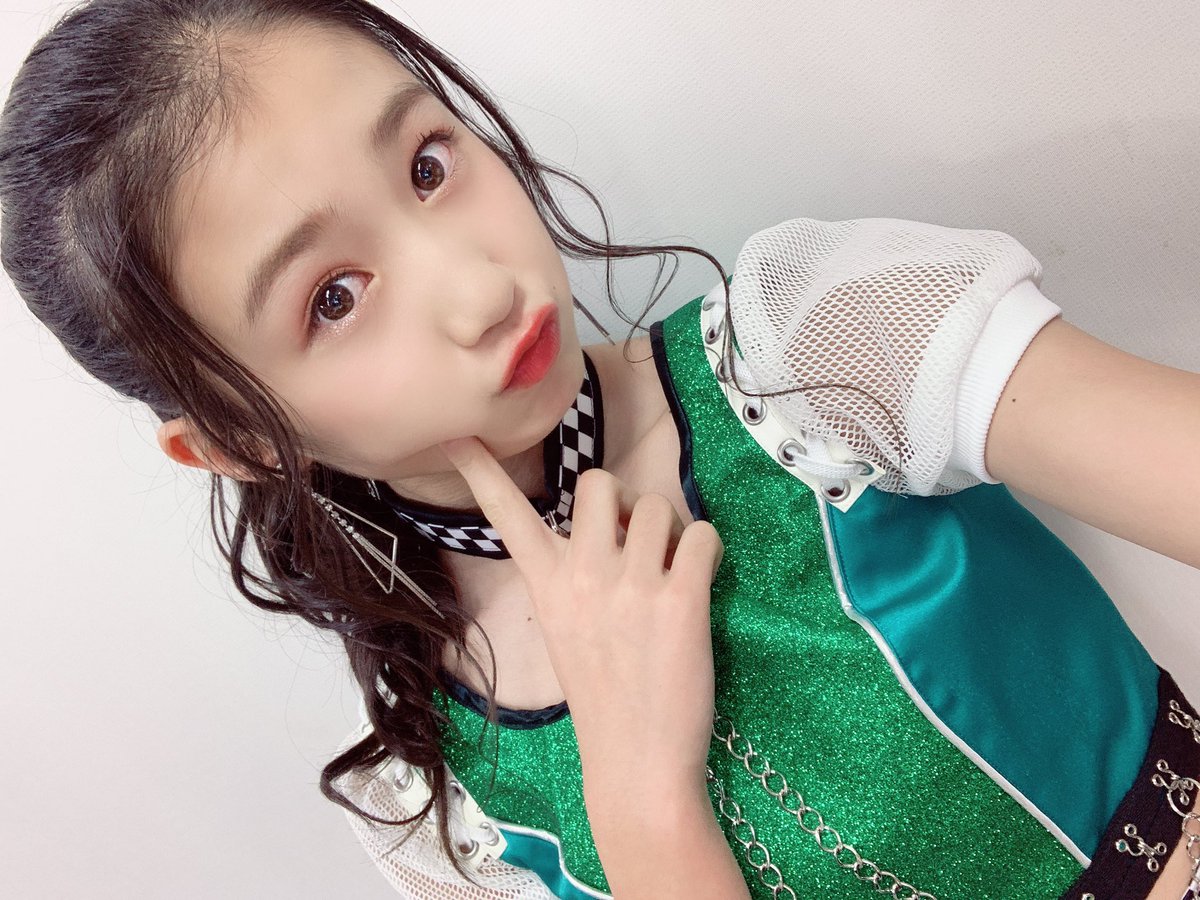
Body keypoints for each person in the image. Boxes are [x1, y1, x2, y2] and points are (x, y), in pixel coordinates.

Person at [1, 1, 1198, 897]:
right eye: (334, 298)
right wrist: (637, 800)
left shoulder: (812, 347)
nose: (480, 290)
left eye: (428, 165)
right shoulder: (430, 805)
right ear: (232, 440)